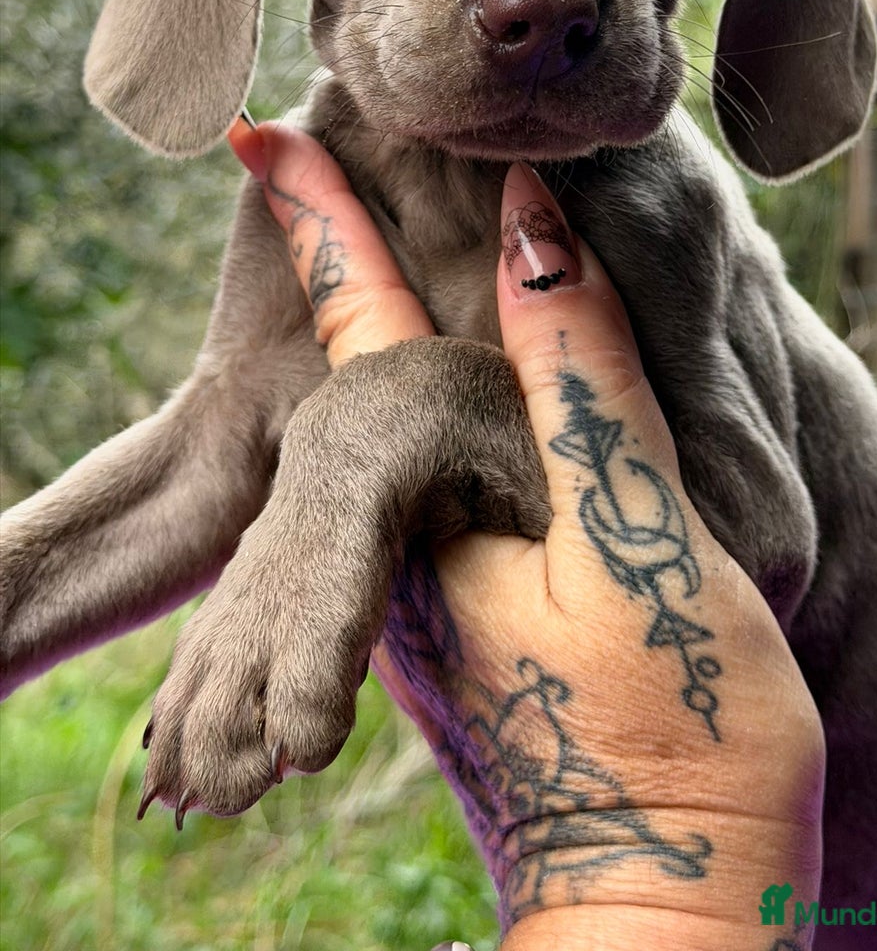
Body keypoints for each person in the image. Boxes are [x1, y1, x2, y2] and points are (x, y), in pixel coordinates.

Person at [229, 117, 825, 951]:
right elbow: (213, 446)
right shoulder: (339, 144)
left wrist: (396, 414)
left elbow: (760, 542)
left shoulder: (659, 189)